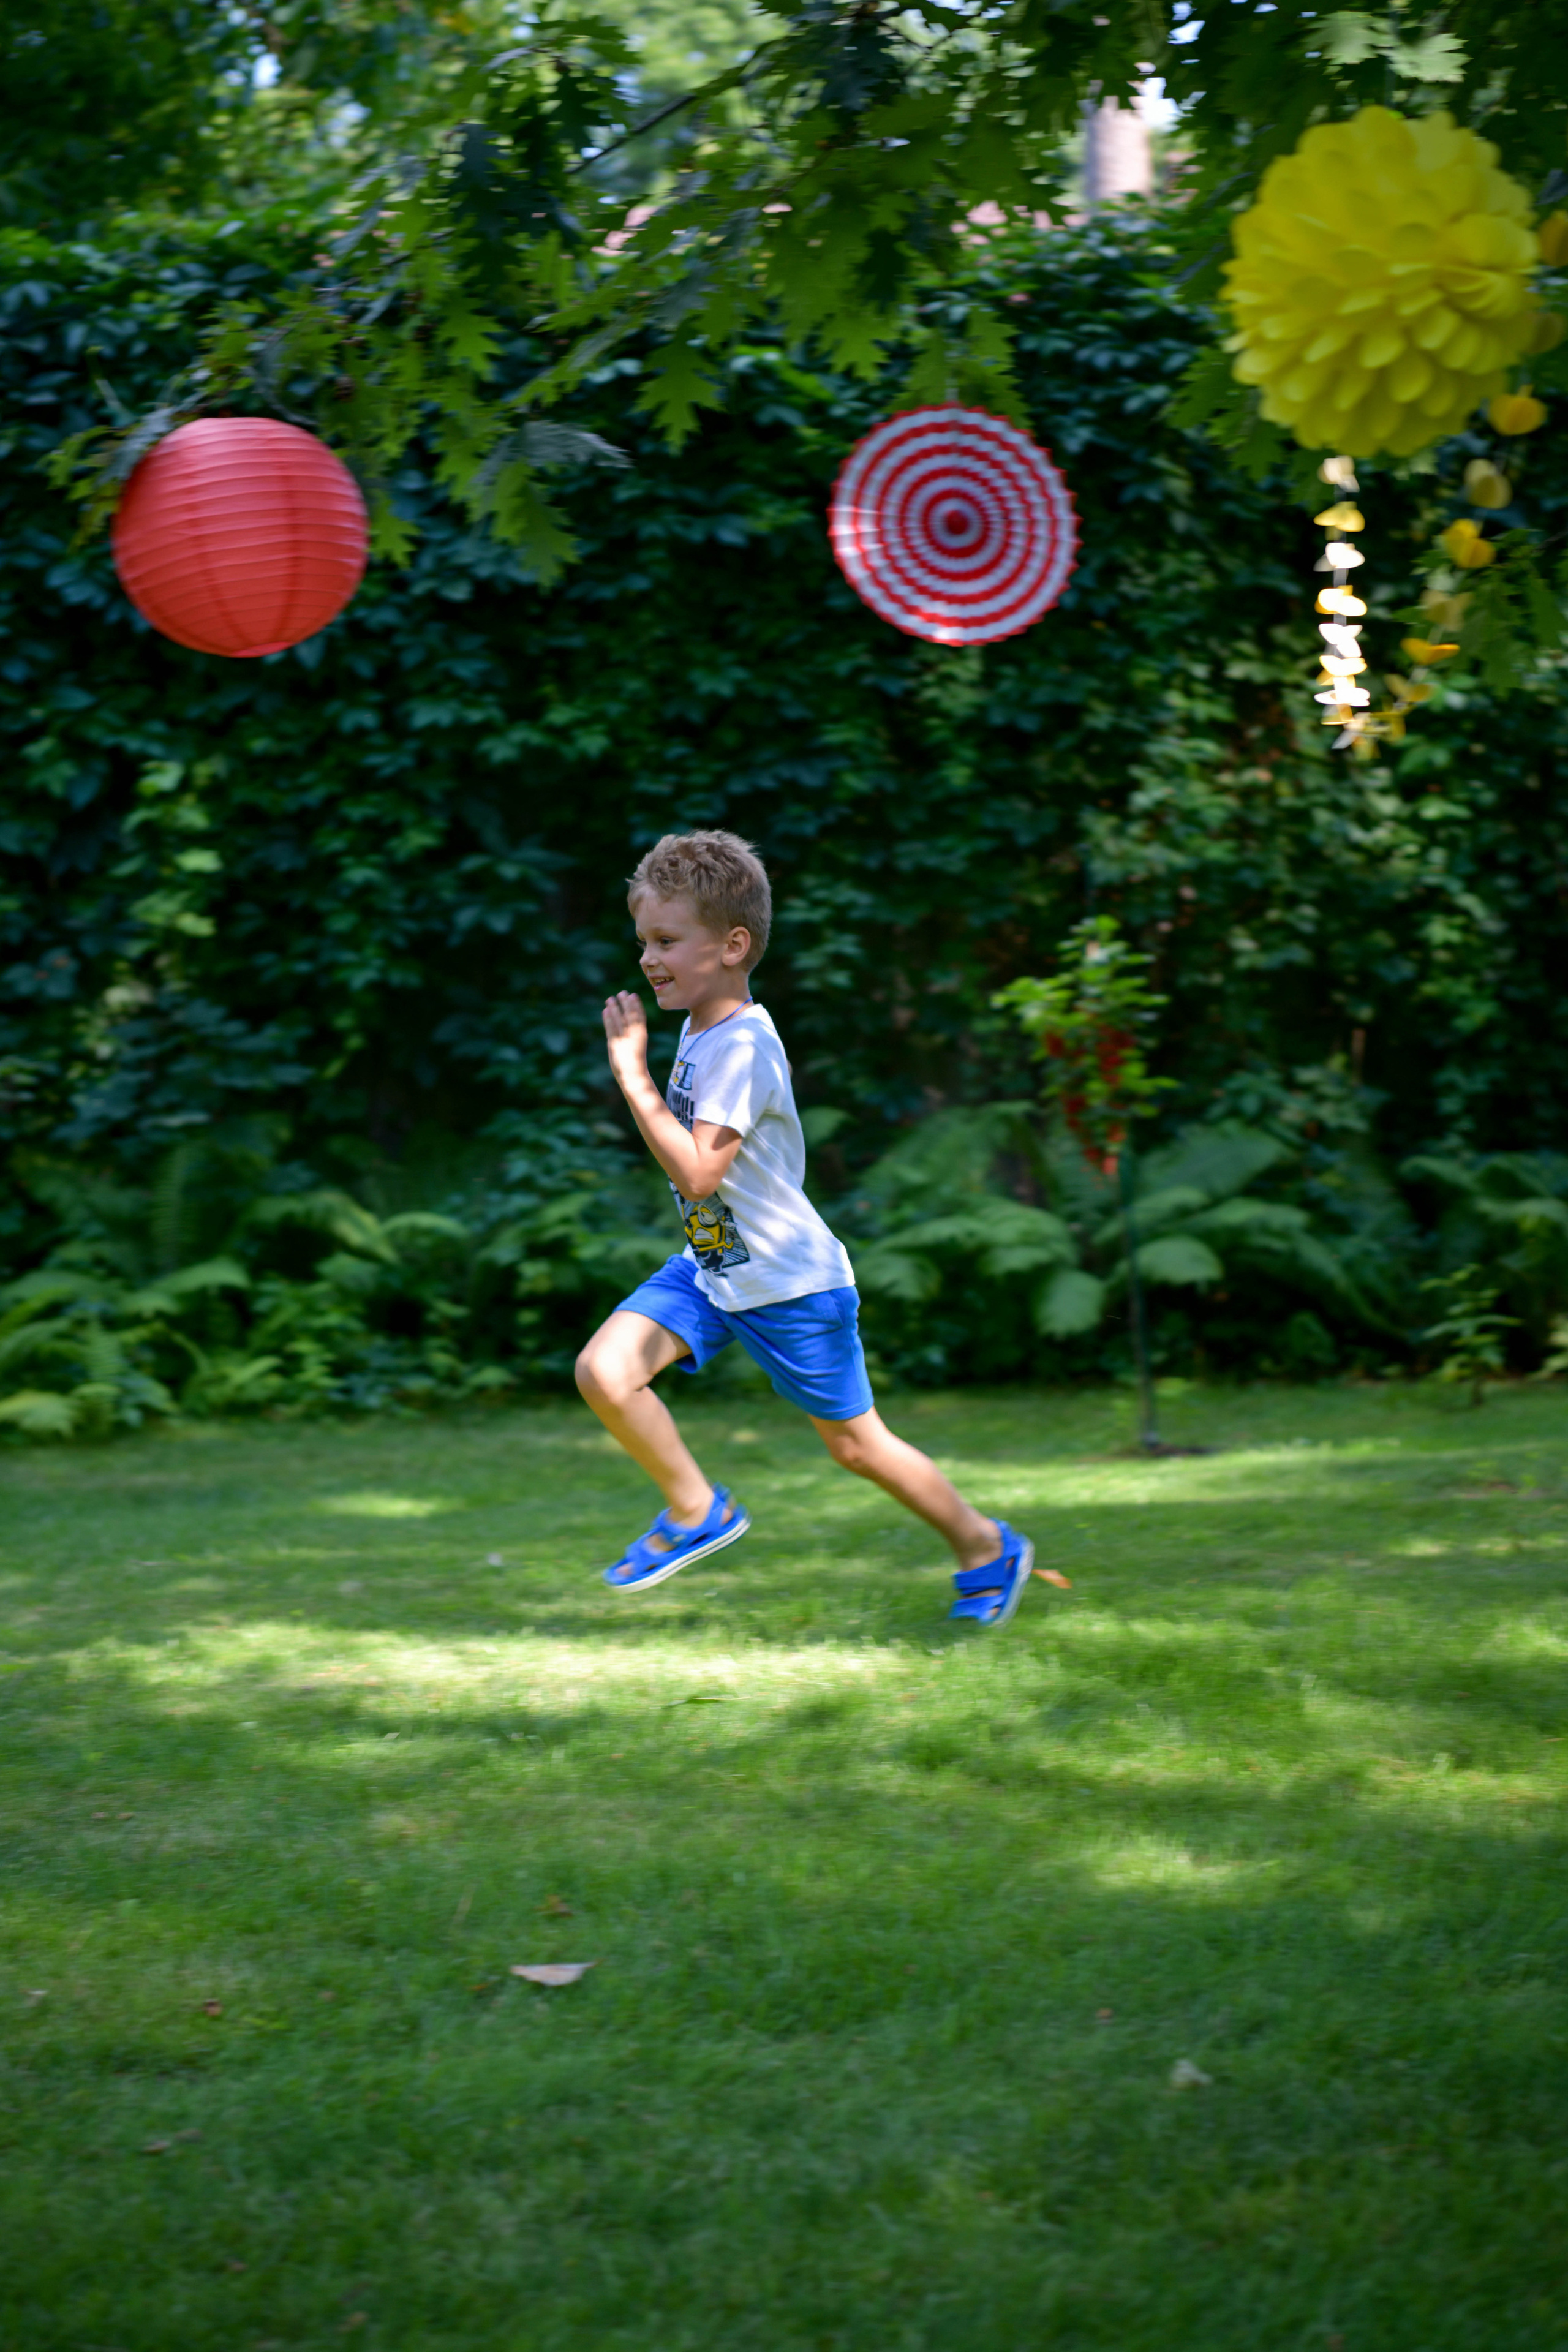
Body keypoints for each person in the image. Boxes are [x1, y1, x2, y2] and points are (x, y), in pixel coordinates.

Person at [573, 828, 1046, 1628]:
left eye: (667, 941)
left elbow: (699, 1173)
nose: (649, 959)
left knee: (857, 1446)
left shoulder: (742, 1047)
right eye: (643, 941)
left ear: (733, 946)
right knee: (604, 1371)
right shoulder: (699, 1025)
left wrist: (631, 1074)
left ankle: (985, 1546)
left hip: (789, 1284)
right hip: (713, 1264)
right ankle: (697, 1510)